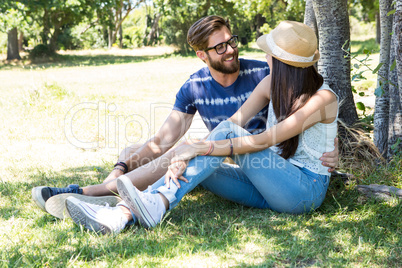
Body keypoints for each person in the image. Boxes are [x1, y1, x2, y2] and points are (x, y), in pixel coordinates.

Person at [33, 16, 338, 224]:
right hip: (266, 181)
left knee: (201, 148)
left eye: (271, 53)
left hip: (301, 192)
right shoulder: (267, 83)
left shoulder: (322, 98)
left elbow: (263, 140)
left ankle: (152, 203)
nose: (263, 56)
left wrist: (198, 149)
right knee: (191, 162)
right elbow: (229, 124)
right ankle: (121, 213)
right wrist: (184, 152)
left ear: (283, 63)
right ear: (202, 55)